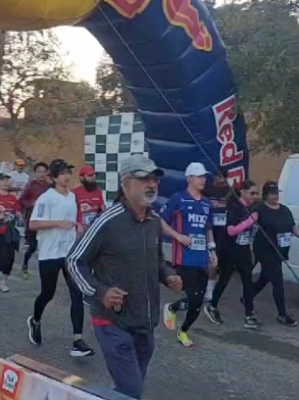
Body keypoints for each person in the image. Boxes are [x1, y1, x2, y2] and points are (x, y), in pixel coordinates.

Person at [66, 154, 182, 399]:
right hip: (112, 322)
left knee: (128, 389)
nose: (152, 184)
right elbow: (74, 260)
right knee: (131, 391)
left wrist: (168, 275)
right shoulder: (107, 221)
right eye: (145, 179)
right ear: (126, 183)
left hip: (145, 323)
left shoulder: (154, 222)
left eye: (155, 179)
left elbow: (157, 260)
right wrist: (100, 292)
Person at [25, 159, 95, 357]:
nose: (66, 176)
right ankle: (35, 320)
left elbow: (72, 218)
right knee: (47, 293)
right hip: (50, 253)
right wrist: (58, 223)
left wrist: (77, 225)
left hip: (70, 253)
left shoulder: (72, 196)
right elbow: (33, 224)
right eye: (62, 173)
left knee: (77, 294)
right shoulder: (46, 198)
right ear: (54, 177)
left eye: (68, 172)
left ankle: (78, 341)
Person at [161, 162, 217, 347]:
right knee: (194, 296)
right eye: (199, 176)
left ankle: (182, 329)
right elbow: (160, 221)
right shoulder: (178, 199)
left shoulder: (207, 203)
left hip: (201, 257)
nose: (203, 180)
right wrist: (177, 236)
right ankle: (172, 309)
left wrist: (212, 250)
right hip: (184, 257)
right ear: (189, 178)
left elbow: (208, 229)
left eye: (204, 176)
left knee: (198, 301)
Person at [251, 181, 299, 327]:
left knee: (266, 276)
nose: (276, 196)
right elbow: (250, 222)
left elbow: (293, 228)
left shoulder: (285, 210)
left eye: (277, 193)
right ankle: (282, 314)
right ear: (266, 195)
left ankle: (248, 296)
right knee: (277, 280)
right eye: (272, 193)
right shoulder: (260, 209)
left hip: (280, 250)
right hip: (265, 249)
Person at [204, 180, 262, 329]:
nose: (255, 196)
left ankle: (249, 314)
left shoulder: (251, 208)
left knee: (248, 281)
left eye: (256, 193)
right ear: (243, 192)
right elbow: (231, 231)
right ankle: (212, 306)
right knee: (224, 279)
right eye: (252, 193)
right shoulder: (235, 207)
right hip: (230, 249)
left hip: (244, 249)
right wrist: (250, 221)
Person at [19, 162, 50, 278]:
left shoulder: (50, 187)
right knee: (32, 246)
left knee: (45, 247)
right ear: (35, 173)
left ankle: (45, 271)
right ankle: (25, 265)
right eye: (39, 172)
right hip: (33, 220)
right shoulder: (30, 186)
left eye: (44, 172)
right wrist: (32, 204)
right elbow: (21, 201)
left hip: (46, 221)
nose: (41, 174)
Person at [203, 170, 230, 301]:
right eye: (221, 176)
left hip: (221, 230)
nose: (223, 180)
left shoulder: (229, 191)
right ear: (215, 176)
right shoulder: (207, 189)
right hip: (208, 228)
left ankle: (210, 289)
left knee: (215, 259)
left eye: (225, 177)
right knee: (205, 258)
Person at [72, 165, 106, 232]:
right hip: (80, 230)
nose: (93, 177)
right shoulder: (74, 192)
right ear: (82, 178)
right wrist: (78, 225)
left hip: (95, 229)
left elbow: (102, 208)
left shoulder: (98, 191)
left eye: (94, 175)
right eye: (90, 175)